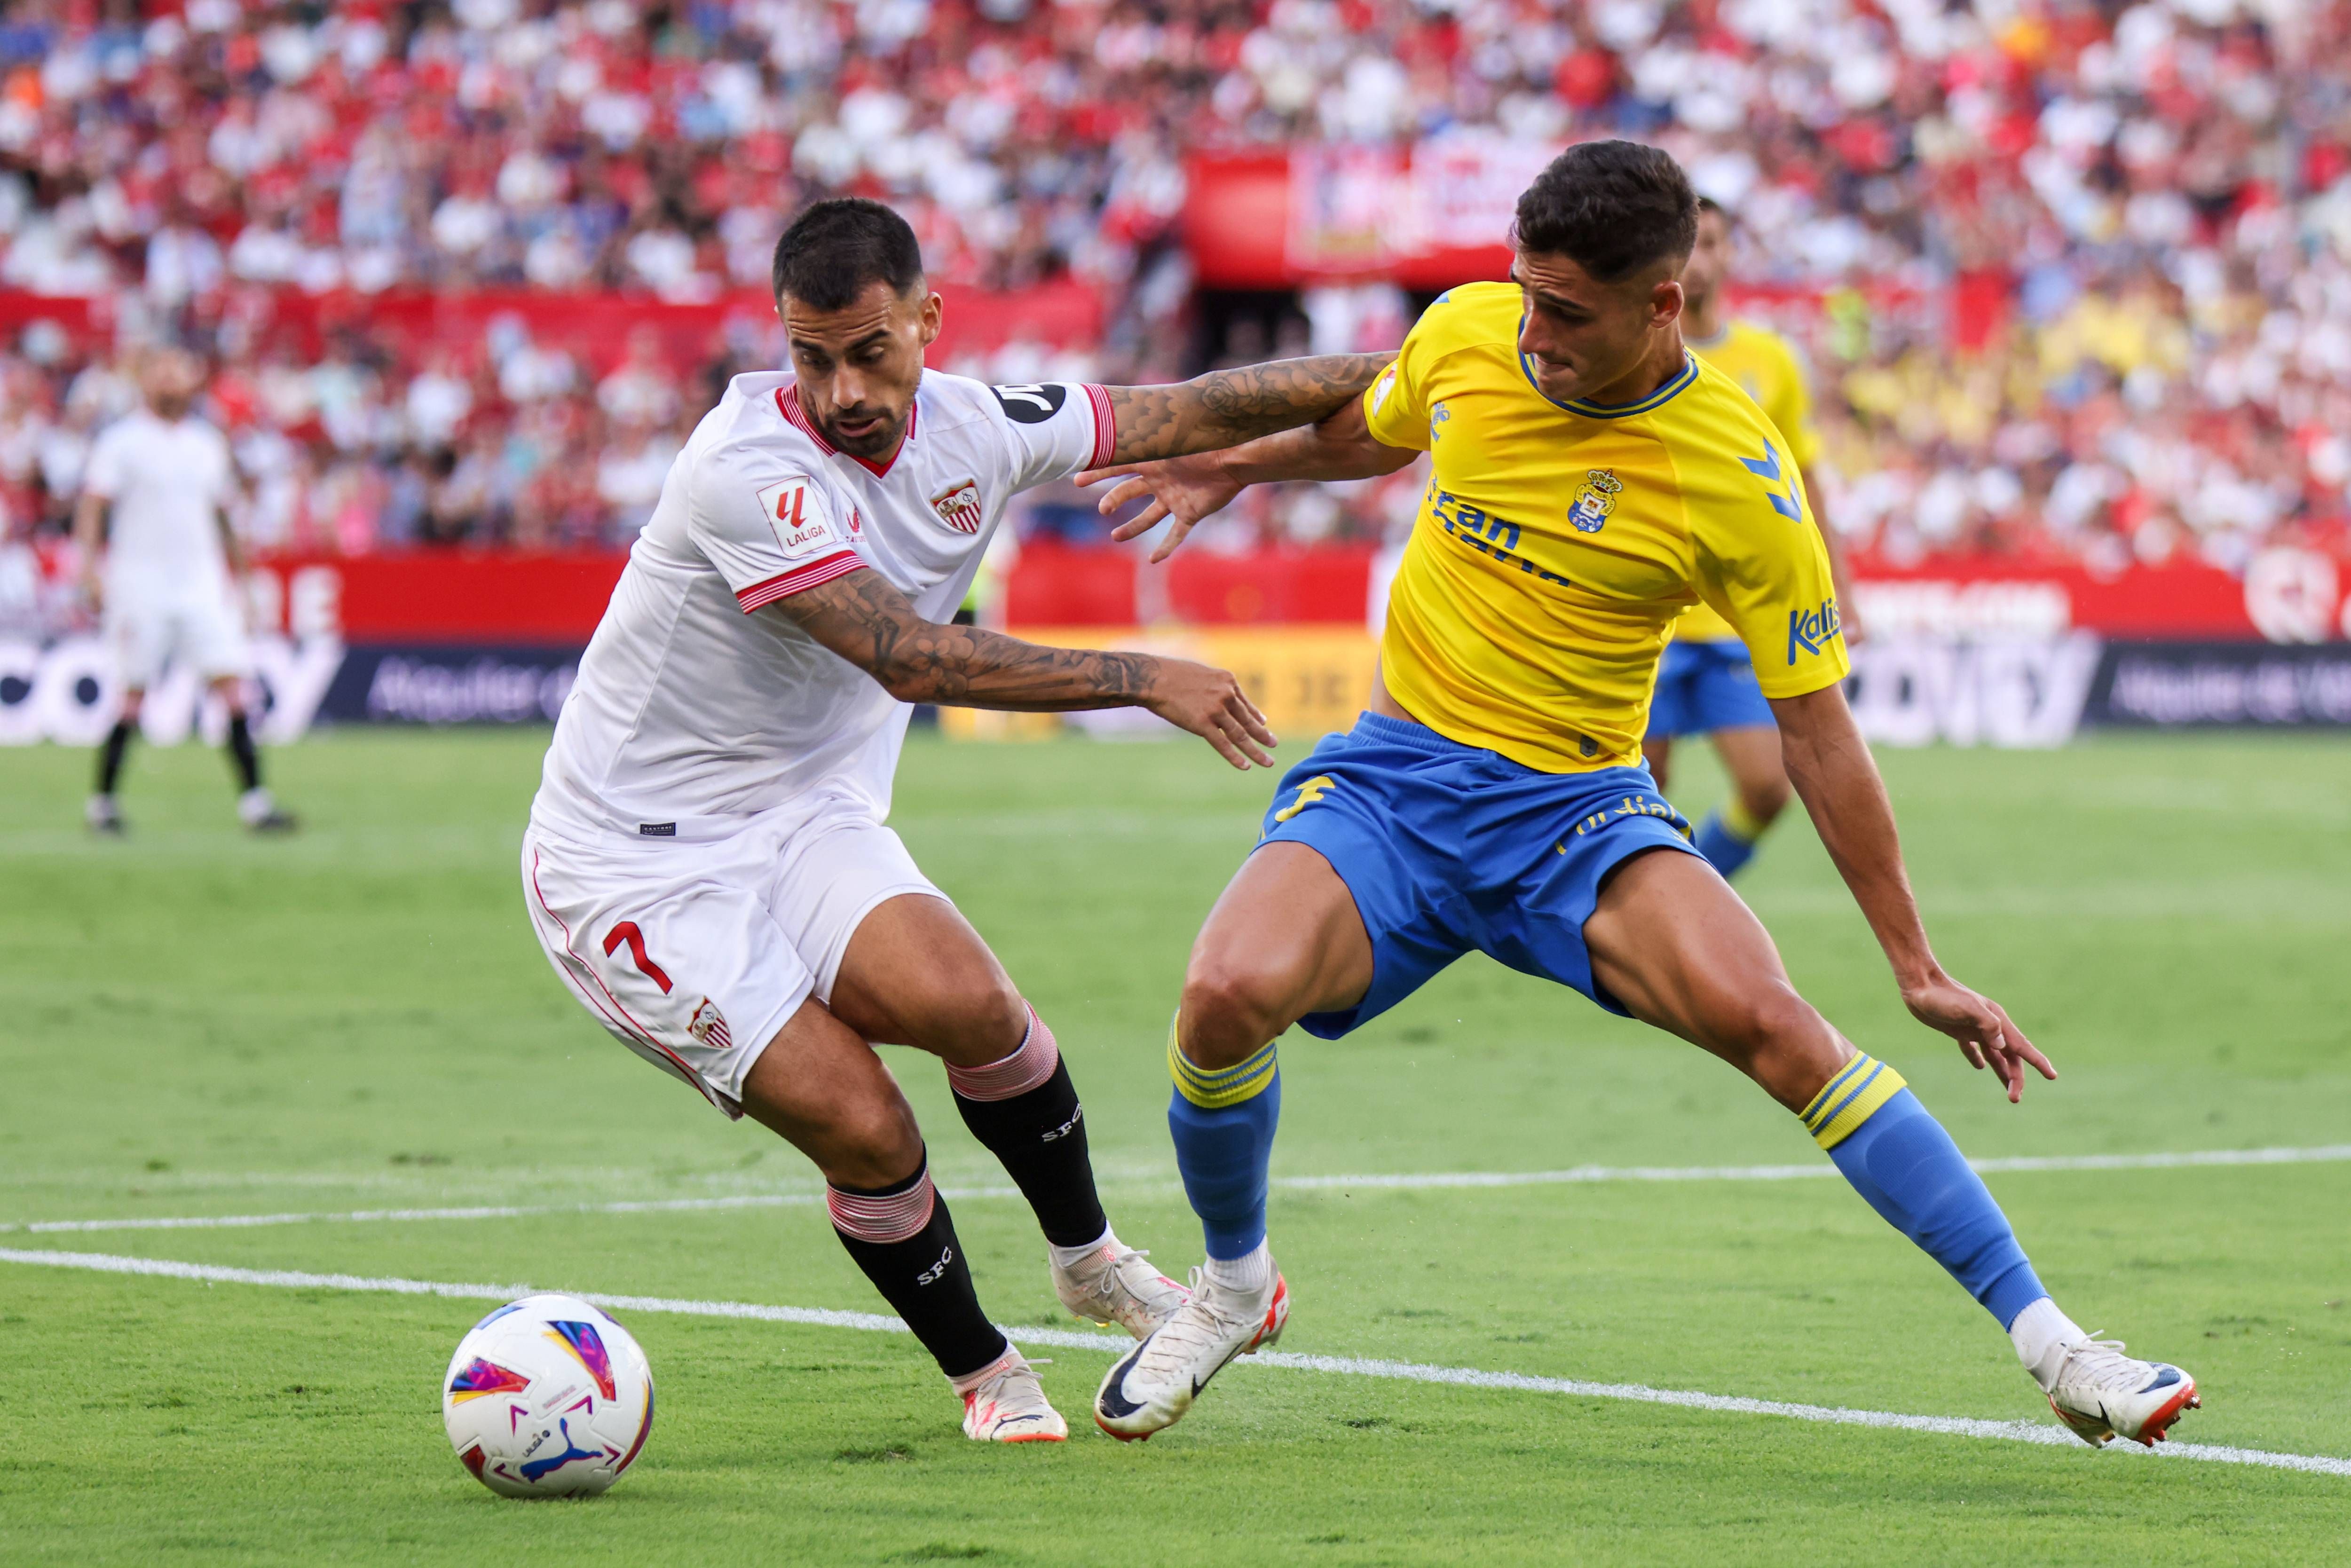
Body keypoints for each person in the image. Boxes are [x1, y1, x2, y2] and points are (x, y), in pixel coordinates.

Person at [1078, 143, 2197, 1449]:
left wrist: (1916, 959)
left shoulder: (1740, 472)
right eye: (1523, 295)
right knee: (1221, 996)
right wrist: (1233, 466)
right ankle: (1230, 1284)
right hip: (1396, 782)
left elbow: (1820, 734)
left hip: (1578, 819)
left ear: (1663, 305)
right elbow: (1375, 428)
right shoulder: (1473, 330)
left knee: (1784, 1029)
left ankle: (2059, 1345)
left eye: (1567, 313)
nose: (1533, 332)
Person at [519, 197, 1389, 1444]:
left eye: (869, 349)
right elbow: (915, 658)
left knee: (980, 1011)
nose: (840, 389)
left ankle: (1088, 1259)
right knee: (867, 1121)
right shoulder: (741, 469)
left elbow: (1192, 406)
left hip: (804, 811)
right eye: (811, 355)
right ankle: (986, 1369)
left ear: (929, 321)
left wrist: (1425, 365)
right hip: (634, 867)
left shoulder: (978, 423)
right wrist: (1145, 674)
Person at [1646, 196, 1861, 879]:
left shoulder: (1770, 360)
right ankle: (1640, 920)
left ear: (1732, 251)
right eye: (1687, 247)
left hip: (1735, 617)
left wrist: (1842, 591)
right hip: (1648, 611)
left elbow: (1802, 484)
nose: (1699, 261)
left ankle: (1696, 886)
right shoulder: (1636, 354)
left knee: (1770, 785)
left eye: (1711, 244)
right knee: (1641, 795)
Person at [76, 347, 295, 836]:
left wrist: (243, 579)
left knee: (233, 688)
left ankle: (256, 803)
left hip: (201, 585)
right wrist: (89, 570)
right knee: (132, 695)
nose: (173, 380)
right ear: (145, 380)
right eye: (163, 371)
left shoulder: (206, 443)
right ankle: (103, 804)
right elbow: (93, 509)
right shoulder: (122, 442)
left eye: (180, 370)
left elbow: (223, 519)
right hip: (139, 586)